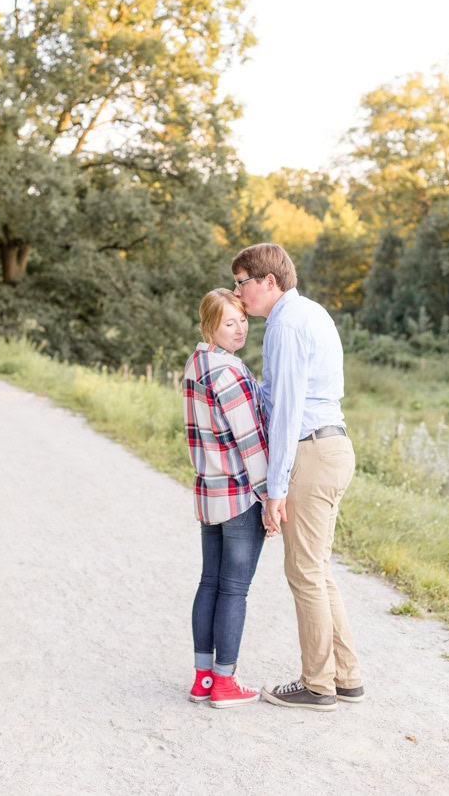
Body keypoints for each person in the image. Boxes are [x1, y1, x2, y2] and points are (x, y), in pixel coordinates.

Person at [231, 243, 364, 712]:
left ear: (269, 281)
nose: (237, 293)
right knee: (318, 571)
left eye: (242, 282)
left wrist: (276, 488)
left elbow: (286, 412)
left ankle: (317, 684)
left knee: (304, 573)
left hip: (310, 451)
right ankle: (346, 677)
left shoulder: (285, 325)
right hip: (333, 446)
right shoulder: (311, 312)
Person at [183, 288, 268, 708]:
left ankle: (202, 678)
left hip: (209, 490)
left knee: (209, 583)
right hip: (239, 494)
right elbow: (250, 441)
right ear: (209, 327)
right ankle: (224, 682)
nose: (240, 330)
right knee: (234, 589)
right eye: (229, 323)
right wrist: (270, 496)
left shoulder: (196, 364)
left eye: (243, 320)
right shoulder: (228, 372)